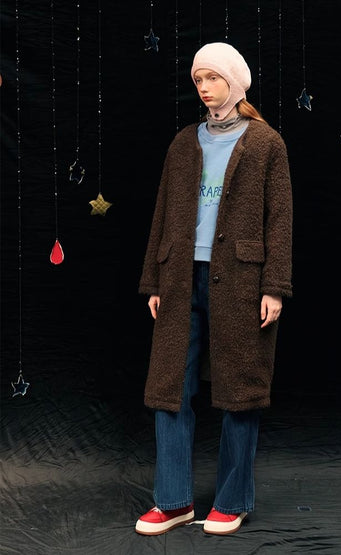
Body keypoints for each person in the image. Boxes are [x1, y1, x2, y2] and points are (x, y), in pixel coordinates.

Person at [135, 42, 293, 536]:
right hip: (180, 277)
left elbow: (280, 219)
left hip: (242, 282)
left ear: (234, 81)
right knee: (170, 389)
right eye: (198, 79)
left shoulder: (266, 143)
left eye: (212, 78)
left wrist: (274, 286)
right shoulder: (185, 141)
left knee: (240, 389)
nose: (203, 88)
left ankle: (232, 500)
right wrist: (154, 280)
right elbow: (163, 212)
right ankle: (173, 501)